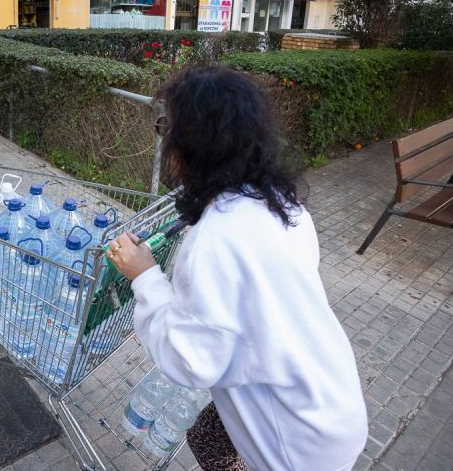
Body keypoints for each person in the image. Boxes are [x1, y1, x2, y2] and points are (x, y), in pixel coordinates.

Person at [107, 67, 368, 471]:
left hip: (299, 442)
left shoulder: (216, 239)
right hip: (329, 396)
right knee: (206, 437)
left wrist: (145, 277)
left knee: (215, 446)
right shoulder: (281, 203)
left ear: (193, 147)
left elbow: (193, 362)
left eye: (168, 130)